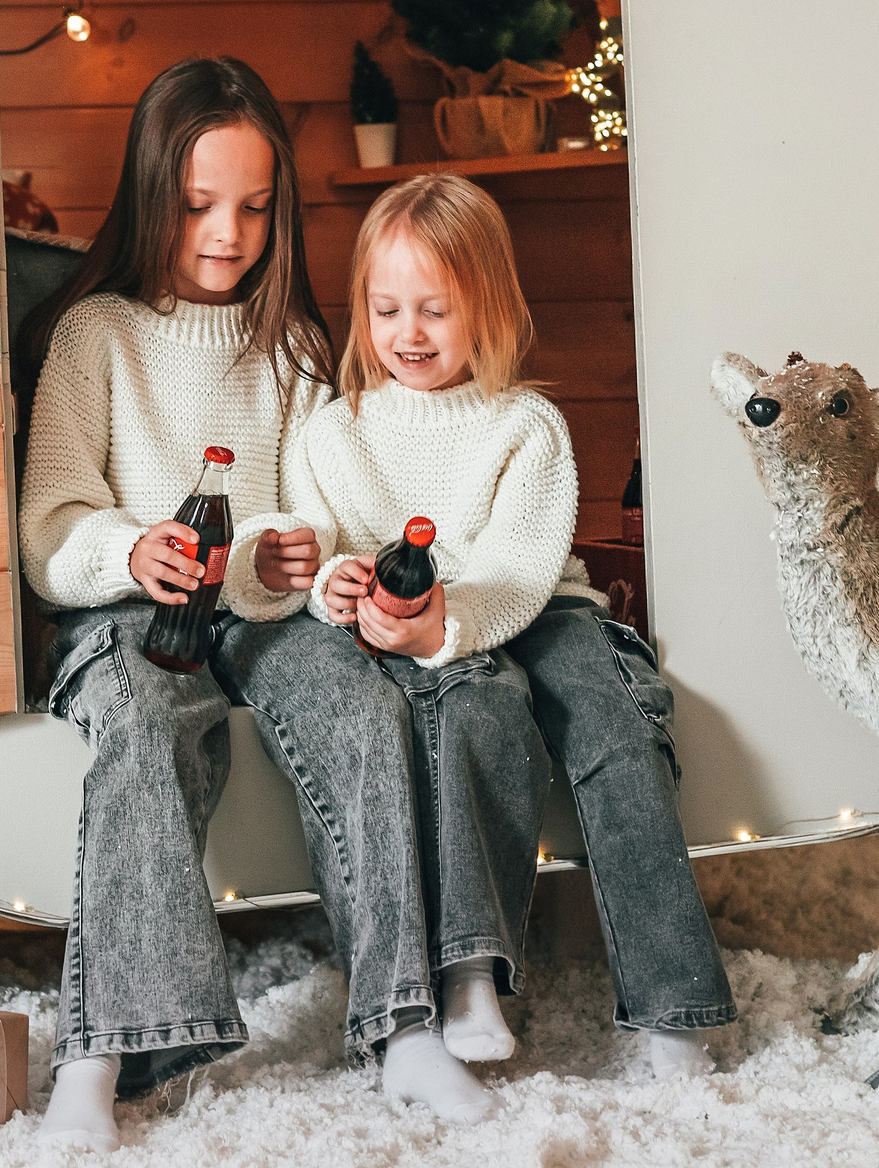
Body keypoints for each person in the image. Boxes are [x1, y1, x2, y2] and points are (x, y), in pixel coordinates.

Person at [16, 59, 499, 1150]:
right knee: (146, 718)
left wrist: (292, 556)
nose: (226, 234)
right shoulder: (95, 336)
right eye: (198, 206)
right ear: (154, 194)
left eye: (253, 207)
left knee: (364, 704)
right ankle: (102, 1052)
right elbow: (48, 529)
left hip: (265, 616)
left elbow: (319, 508)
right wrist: (130, 548)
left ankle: (403, 1025)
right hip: (124, 613)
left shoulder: (293, 347)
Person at [287, 173, 735, 1076]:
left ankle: (673, 1007)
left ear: (487, 308)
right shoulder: (331, 434)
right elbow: (321, 544)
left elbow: (520, 570)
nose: (408, 333)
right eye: (386, 309)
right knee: (465, 712)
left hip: (536, 608)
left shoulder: (527, 425)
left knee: (619, 727)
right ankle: (469, 979)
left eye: (435, 310)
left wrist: (447, 626)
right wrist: (336, 587)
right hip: (410, 622)